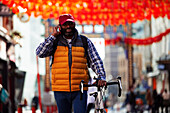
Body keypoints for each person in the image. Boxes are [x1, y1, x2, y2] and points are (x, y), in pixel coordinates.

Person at [36, 14, 106, 113]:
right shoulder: (55, 42)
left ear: (74, 24)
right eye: (65, 24)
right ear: (59, 26)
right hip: (60, 89)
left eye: (70, 24)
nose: (68, 26)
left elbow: (96, 61)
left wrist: (101, 76)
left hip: (80, 89)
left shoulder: (84, 41)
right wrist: (53, 36)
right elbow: (39, 52)